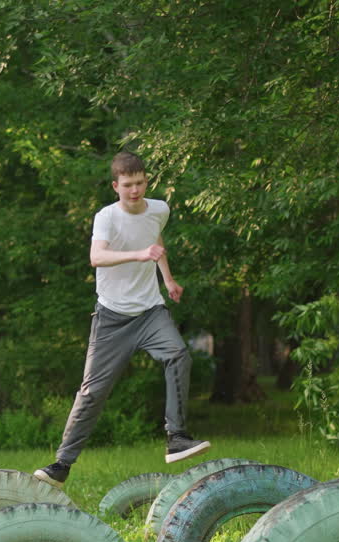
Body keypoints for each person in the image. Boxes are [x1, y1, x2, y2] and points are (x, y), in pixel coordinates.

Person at [34, 151, 210, 488]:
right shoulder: (107, 218)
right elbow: (95, 257)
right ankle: (61, 465)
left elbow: (155, 240)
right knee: (92, 392)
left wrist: (168, 279)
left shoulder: (160, 209)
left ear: (147, 181)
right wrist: (139, 254)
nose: (135, 191)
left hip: (150, 311)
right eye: (128, 185)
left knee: (177, 355)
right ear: (116, 186)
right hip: (112, 318)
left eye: (140, 183)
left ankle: (177, 437)